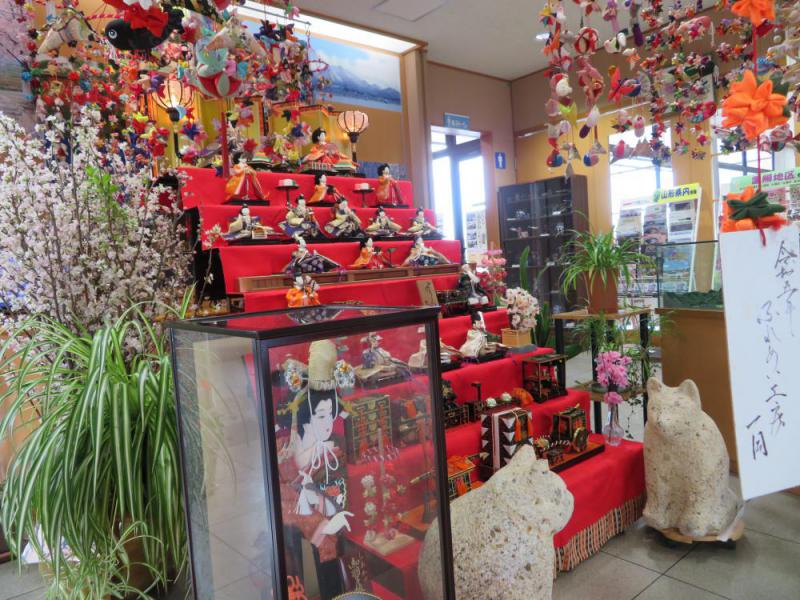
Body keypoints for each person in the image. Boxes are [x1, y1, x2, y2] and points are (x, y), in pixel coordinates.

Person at [278, 340, 355, 600]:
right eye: (321, 416)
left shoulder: (333, 451)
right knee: (291, 540)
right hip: (293, 506)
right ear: (306, 416)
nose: (328, 424)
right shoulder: (287, 445)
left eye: (331, 416)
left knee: (329, 535)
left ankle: (333, 592)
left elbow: (336, 497)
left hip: (320, 506)